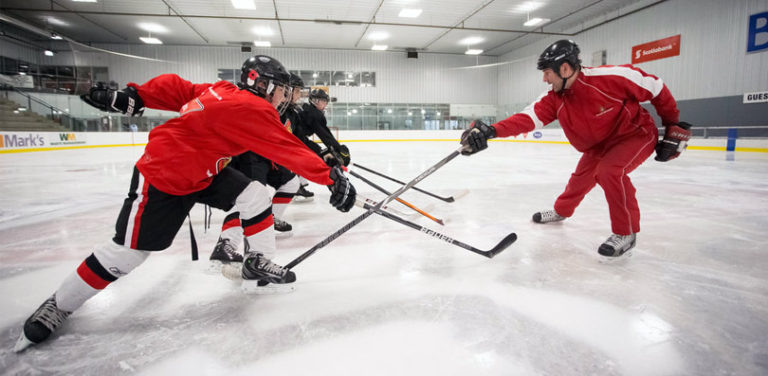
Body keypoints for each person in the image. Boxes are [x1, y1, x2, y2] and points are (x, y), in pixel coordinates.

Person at [15, 55, 357, 352]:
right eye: (282, 90)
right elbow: (287, 148)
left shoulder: (221, 90)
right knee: (127, 253)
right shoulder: (253, 108)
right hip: (165, 175)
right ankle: (58, 305)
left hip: (205, 171)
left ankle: (257, 260)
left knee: (253, 195)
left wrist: (135, 95)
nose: (284, 98)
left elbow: (177, 87)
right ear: (265, 86)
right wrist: (331, 178)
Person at [460, 40, 690, 258]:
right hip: (599, 145)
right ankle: (562, 211)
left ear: (566, 68)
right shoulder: (553, 98)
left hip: (635, 135)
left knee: (610, 172)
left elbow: (656, 87)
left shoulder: (611, 78)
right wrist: (491, 131)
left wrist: (672, 124)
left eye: (547, 72)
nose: (544, 79)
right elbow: (527, 118)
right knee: (580, 179)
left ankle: (626, 232)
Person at [209, 73, 309, 266]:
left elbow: (295, 142)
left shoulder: (288, 112)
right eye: (285, 90)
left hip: (266, 156)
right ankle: (226, 243)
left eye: (289, 91)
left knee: (291, 181)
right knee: (250, 195)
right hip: (249, 155)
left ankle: (269, 219)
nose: (289, 95)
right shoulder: (252, 104)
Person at [293, 88, 351, 198]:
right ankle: (336, 186)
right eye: (323, 101)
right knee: (321, 157)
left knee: (318, 153)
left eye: (326, 101)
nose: (325, 104)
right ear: (316, 101)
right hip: (297, 140)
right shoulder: (314, 114)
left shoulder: (309, 110)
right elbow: (325, 135)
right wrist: (338, 149)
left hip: (297, 139)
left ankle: (298, 185)